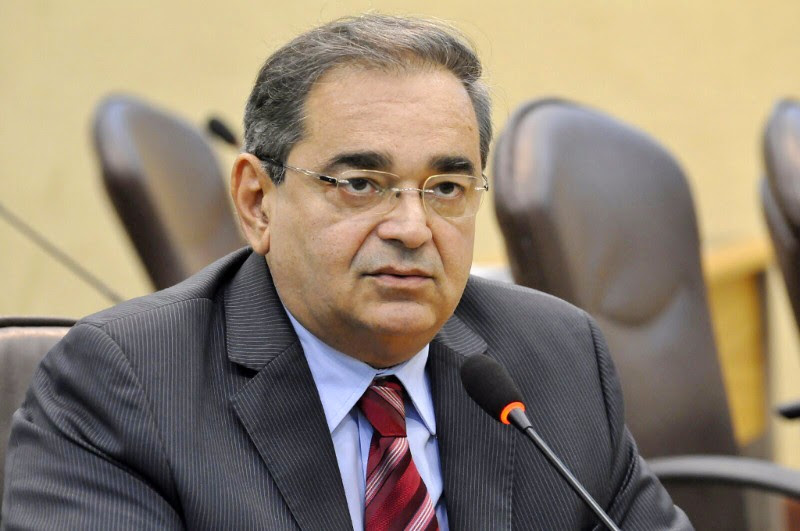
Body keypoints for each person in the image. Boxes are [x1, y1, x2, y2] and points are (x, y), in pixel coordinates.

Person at [2, 14, 691, 530]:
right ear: (257, 201)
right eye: (361, 184)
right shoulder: (124, 387)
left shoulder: (557, 359)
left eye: (446, 188)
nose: (413, 228)